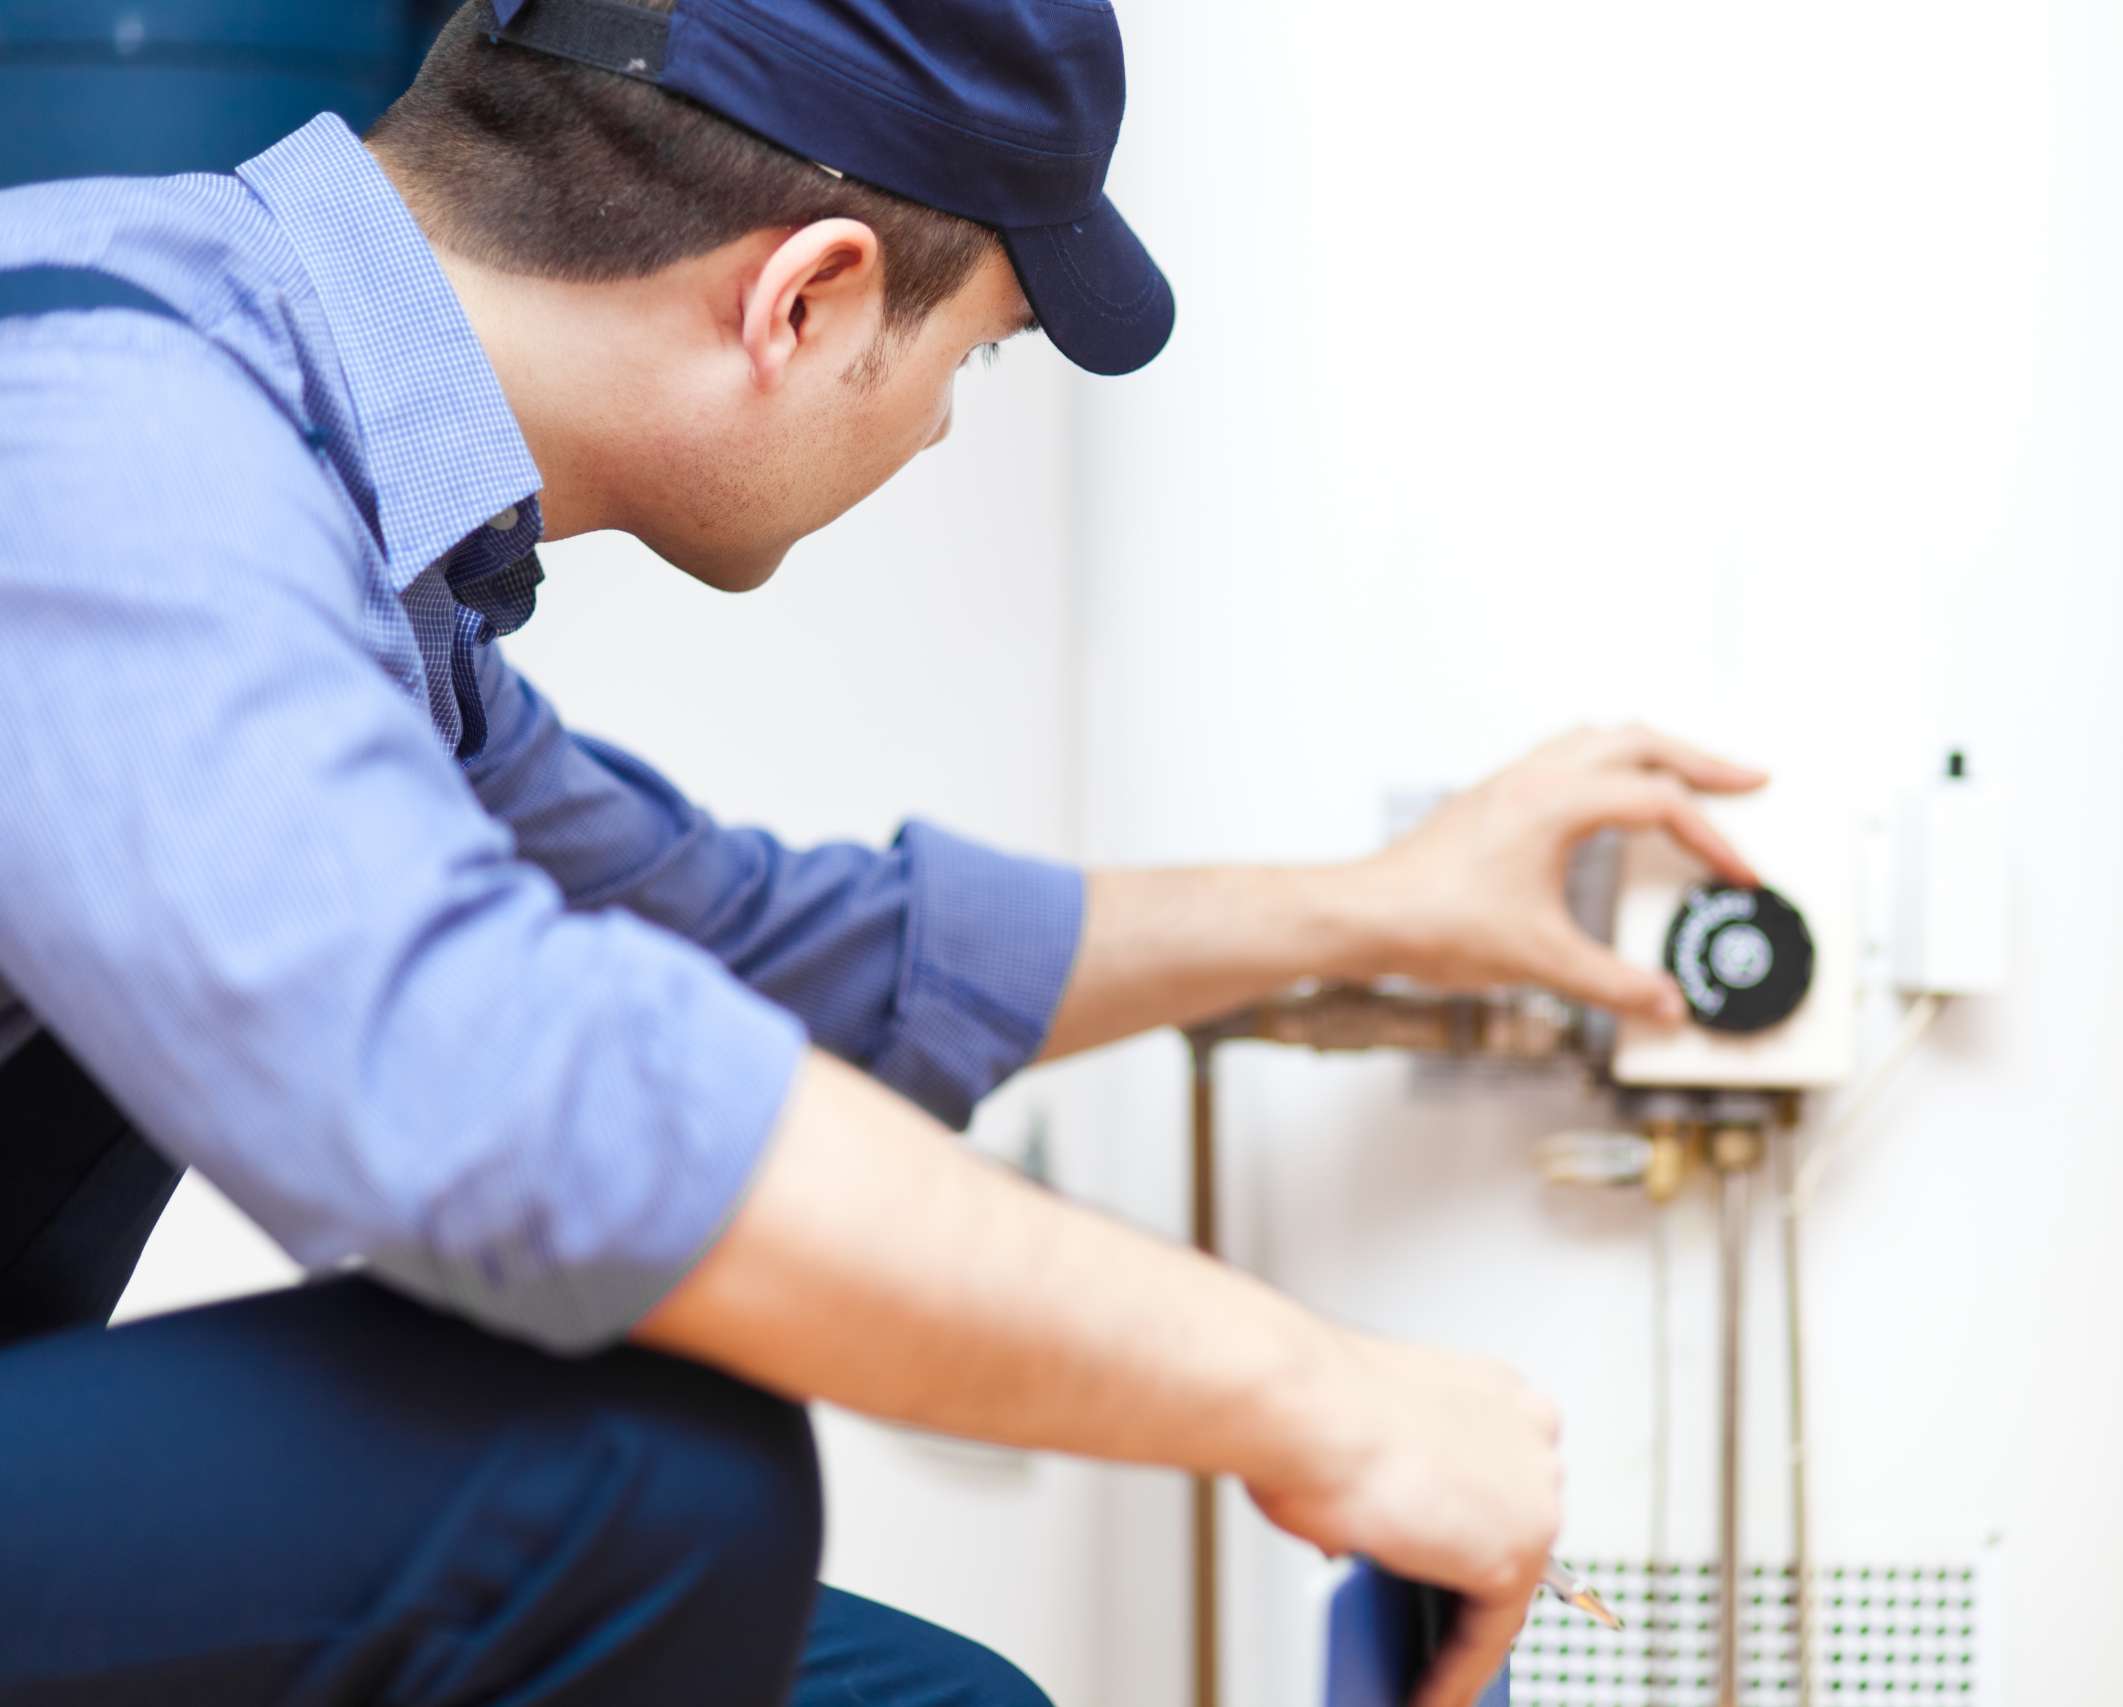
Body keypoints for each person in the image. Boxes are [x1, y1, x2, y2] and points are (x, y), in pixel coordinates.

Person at [0, 2, 1762, 1702]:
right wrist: (1315, 1392)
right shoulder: (108, 427)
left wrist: (1382, 913)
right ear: (809, 296)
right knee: (640, 1471)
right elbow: (511, 1098)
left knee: (912, 1698)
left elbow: (749, 950)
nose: (936, 423)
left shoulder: (339, 509)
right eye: (974, 353)